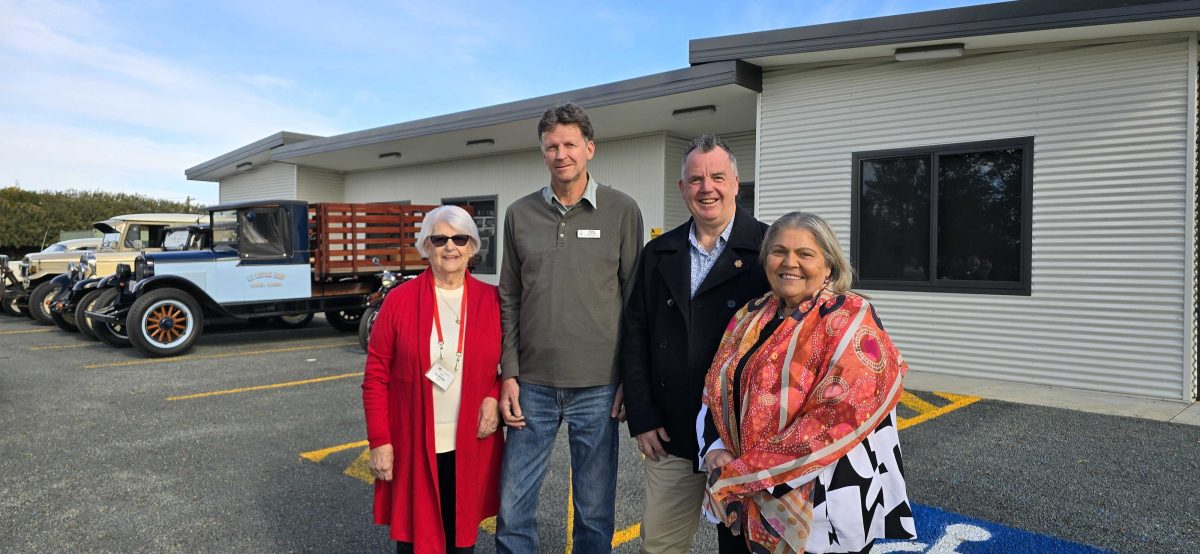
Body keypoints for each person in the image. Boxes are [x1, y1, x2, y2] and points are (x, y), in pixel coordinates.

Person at [698, 212, 916, 554]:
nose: (790, 263)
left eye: (805, 254)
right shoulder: (750, 315)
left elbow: (839, 414)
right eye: (779, 251)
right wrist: (715, 451)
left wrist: (748, 472)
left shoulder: (848, 317)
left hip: (819, 510)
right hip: (741, 502)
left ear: (828, 265)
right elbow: (716, 388)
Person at [495, 102, 644, 554]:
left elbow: (636, 302)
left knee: (595, 514)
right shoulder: (520, 214)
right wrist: (509, 372)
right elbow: (509, 298)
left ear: (590, 148)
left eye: (570, 145)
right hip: (532, 387)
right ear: (543, 152)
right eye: (551, 146)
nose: (561, 154)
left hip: (599, 387)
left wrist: (628, 381)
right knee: (513, 509)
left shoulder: (622, 210)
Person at [621, 134, 769, 552]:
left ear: (737, 183)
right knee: (661, 544)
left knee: (744, 546)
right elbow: (635, 336)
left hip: (745, 439)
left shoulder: (770, 249)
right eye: (696, 179)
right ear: (682, 188)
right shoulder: (658, 254)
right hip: (672, 432)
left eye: (718, 177)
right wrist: (643, 416)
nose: (708, 188)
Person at [362, 205, 504, 554]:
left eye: (460, 238)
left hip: (470, 441)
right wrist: (380, 442)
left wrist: (494, 395)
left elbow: (511, 366)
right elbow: (375, 376)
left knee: (460, 540)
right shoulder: (399, 300)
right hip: (413, 442)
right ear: (426, 247)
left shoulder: (493, 300)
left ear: (472, 247)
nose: (450, 247)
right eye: (439, 239)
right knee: (414, 541)